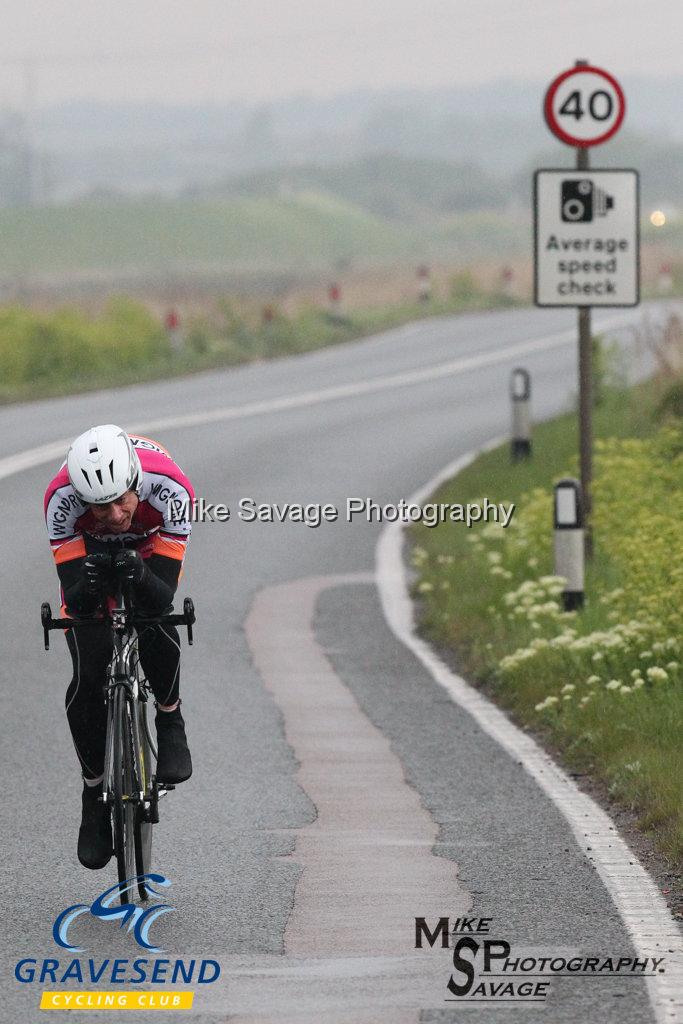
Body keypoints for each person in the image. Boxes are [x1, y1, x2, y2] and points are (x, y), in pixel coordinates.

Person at [44, 424, 195, 870]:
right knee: (89, 675)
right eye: (99, 505)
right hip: (88, 556)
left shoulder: (171, 488)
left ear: (135, 482)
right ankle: (93, 794)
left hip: (149, 550)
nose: (112, 514)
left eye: (121, 500)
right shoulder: (61, 501)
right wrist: (89, 587)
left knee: (154, 619)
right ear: (80, 496)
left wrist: (141, 574)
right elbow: (76, 599)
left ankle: (171, 719)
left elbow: (162, 595)